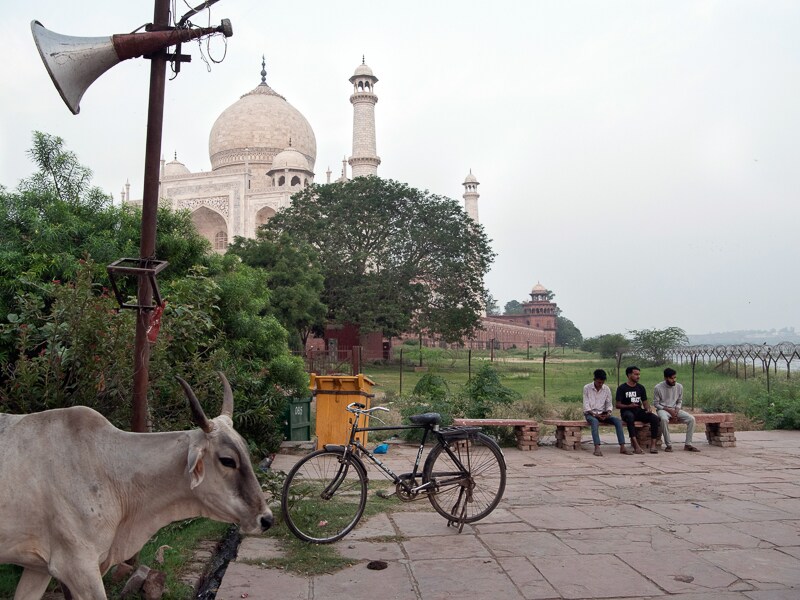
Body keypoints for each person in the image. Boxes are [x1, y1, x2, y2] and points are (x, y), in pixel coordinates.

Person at [583, 369, 633, 456]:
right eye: (599, 382)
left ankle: (622, 446)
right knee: (595, 422)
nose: (600, 384)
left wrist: (608, 413)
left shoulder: (606, 389)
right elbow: (586, 405)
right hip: (591, 414)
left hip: (603, 413)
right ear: (594, 379)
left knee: (617, 421)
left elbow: (609, 404)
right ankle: (597, 447)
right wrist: (595, 415)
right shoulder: (587, 388)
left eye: (602, 382)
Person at [615, 366, 660, 454]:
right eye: (636, 374)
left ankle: (653, 445)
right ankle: (636, 446)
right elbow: (617, 405)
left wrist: (648, 409)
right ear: (629, 375)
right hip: (626, 412)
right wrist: (629, 406)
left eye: (639, 374)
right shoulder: (622, 388)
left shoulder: (640, 387)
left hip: (638, 411)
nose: (638, 376)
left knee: (654, 418)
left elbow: (645, 402)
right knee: (630, 417)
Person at [653, 367, 700, 452]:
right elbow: (656, 404)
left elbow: (679, 401)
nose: (674, 380)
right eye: (671, 378)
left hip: (675, 409)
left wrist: (677, 409)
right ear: (665, 378)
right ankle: (669, 445)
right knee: (663, 419)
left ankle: (688, 444)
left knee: (691, 419)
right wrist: (668, 410)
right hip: (663, 409)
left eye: (675, 377)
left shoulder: (679, 386)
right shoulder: (658, 387)